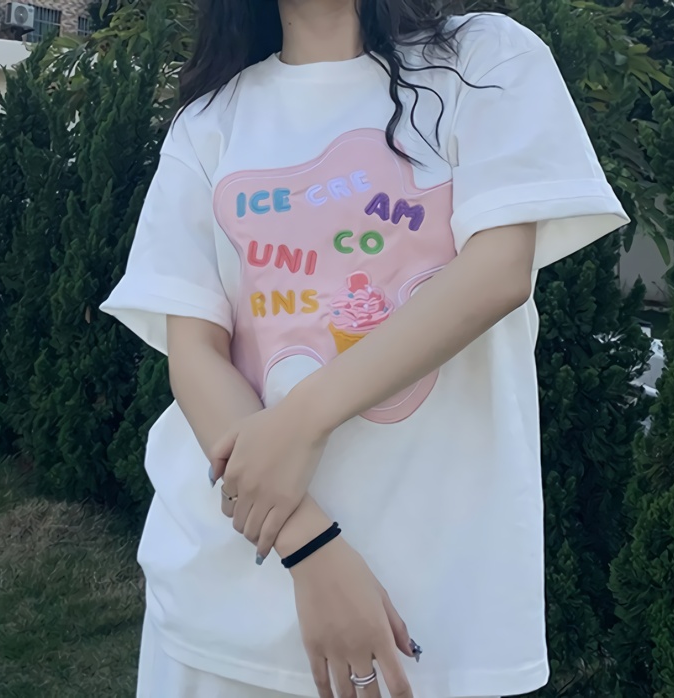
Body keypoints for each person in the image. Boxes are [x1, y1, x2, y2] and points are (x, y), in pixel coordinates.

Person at [100, 0, 629, 696]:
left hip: (436, 609)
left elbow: (499, 272)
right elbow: (195, 353)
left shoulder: (483, 58)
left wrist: (303, 418)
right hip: (223, 597)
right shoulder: (208, 123)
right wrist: (309, 546)